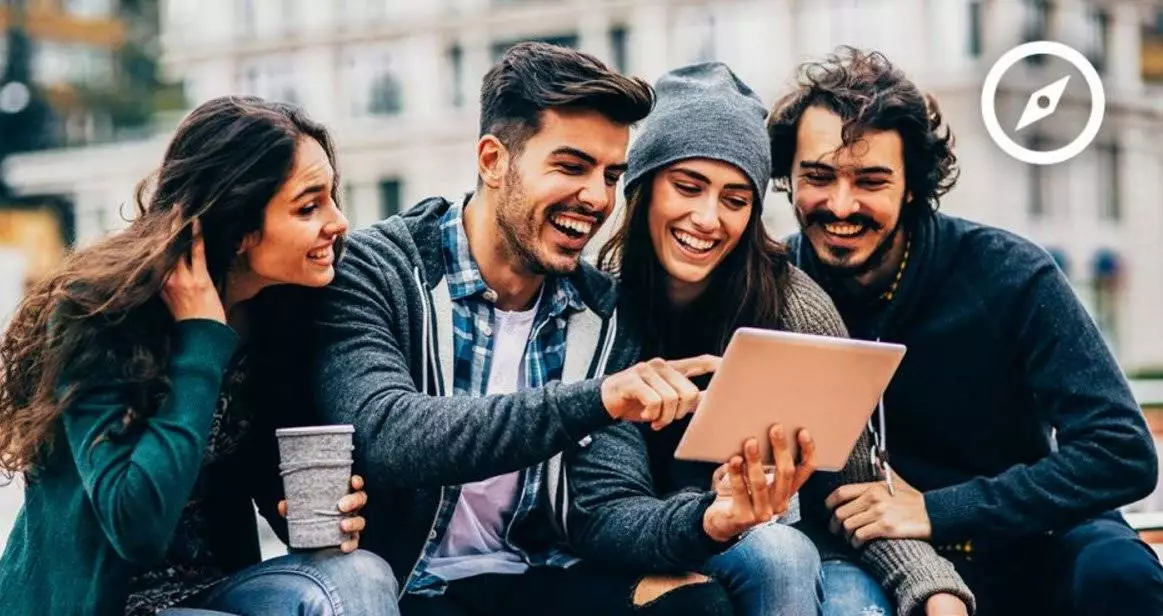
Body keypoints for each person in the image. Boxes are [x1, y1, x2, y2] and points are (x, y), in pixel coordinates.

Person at [312, 43, 733, 616]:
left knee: (694, 603)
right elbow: (387, 433)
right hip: (404, 583)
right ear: (492, 160)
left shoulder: (603, 311)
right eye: (571, 166)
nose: (596, 198)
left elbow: (604, 507)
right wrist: (601, 397)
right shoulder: (378, 269)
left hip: (533, 575)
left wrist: (713, 517)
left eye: (612, 175)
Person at [567, 62, 973, 616]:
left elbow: (855, 489)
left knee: (854, 602)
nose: (708, 218)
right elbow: (606, 510)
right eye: (687, 187)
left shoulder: (792, 304)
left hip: (814, 550)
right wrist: (716, 511)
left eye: (736, 199)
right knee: (777, 554)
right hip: (665, 546)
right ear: (643, 186)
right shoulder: (598, 309)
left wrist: (935, 588)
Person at [770, 46, 1163, 615]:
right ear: (789, 176)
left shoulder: (1008, 272)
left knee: (1119, 576)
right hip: (866, 560)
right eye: (818, 176)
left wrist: (939, 509)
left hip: (1030, 539)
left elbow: (1122, 452)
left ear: (911, 186)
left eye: (871, 180)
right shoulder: (768, 285)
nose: (841, 203)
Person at [0, 96, 398, 616]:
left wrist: (312, 509)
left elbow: (264, 481)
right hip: (100, 602)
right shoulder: (100, 316)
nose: (339, 222)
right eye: (308, 206)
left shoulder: (278, 312)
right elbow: (134, 525)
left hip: (214, 589)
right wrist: (201, 337)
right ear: (239, 225)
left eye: (331, 199)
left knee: (361, 575)